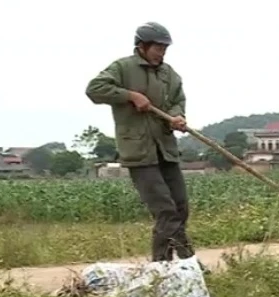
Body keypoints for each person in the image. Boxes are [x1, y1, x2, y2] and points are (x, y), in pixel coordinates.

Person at [85, 22, 201, 266]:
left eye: (164, 48)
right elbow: (94, 89)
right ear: (142, 46)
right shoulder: (123, 68)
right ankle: (176, 264)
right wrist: (130, 96)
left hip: (166, 151)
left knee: (180, 209)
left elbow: (178, 101)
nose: (162, 52)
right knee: (166, 212)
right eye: (158, 48)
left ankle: (171, 266)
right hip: (139, 153)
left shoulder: (169, 74)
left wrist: (178, 117)